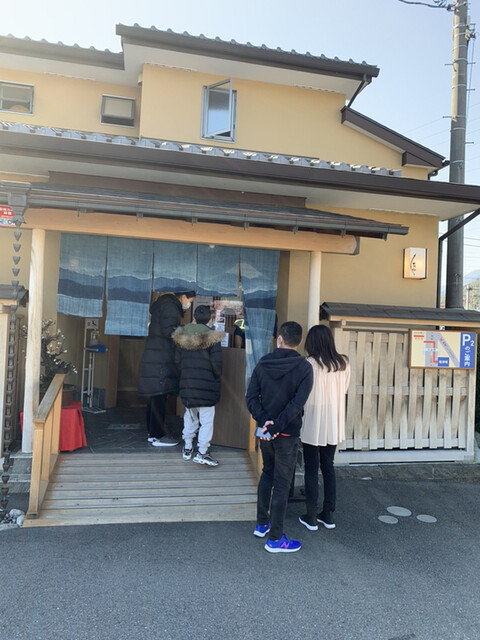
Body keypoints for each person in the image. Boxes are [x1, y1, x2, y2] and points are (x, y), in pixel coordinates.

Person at [246, 321, 313, 553]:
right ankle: (275, 539)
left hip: (266, 432)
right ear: (299, 342)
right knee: (282, 482)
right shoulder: (304, 368)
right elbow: (297, 404)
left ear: (280, 339)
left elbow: (251, 398)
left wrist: (266, 422)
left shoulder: (263, 363)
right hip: (287, 431)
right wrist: (277, 425)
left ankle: (262, 524)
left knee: (267, 473)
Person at [299, 324, 350, 531]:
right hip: (333, 422)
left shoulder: (308, 364)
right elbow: (344, 389)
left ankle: (310, 515)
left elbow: (302, 394)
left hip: (313, 421)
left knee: (311, 467)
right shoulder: (343, 363)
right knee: (328, 465)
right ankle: (328, 514)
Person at [137, 291, 196, 447]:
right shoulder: (170, 307)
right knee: (159, 398)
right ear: (183, 297)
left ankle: (152, 434)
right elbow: (171, 332)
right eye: (190, 300)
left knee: (155, 398)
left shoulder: (163, 305)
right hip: (161, 359)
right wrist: (188, 330)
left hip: (155, 357)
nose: (189, 304)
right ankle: (157, 436)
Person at [172, 305, 225, 466]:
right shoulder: (213, 338)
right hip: (206, 386)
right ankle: (202, 452)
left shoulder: (182, 336)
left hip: (187, 384)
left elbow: (177, 362)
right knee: (206, 420)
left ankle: (188, 447)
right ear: (210, 319)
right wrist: (214, 379)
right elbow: (217, 366)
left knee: (190, 416)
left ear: (194, 318)